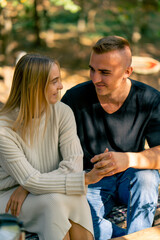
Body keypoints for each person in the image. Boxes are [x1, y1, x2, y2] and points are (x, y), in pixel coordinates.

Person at [61, 35, 160, 240]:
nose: (95, 79)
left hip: (130, 177)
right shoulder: (73, 99)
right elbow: (55, 150)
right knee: (88, 229)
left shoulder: (150, 99)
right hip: (91, 179)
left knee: (147, 177)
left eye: (105, 72)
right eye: (92, 69)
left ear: (127, 72)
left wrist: (128, 159)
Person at [0, 53, 104, 240]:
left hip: (31, 190)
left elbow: (73, 166)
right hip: (9, 198)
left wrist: (26, 187)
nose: (61, 86)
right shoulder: (4, 129)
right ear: (34, 87)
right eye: (54, 81)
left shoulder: (63, 112)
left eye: (60, 79)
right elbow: (31, 179)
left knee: (74, 197)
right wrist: (86, 179)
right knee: (54, 203)